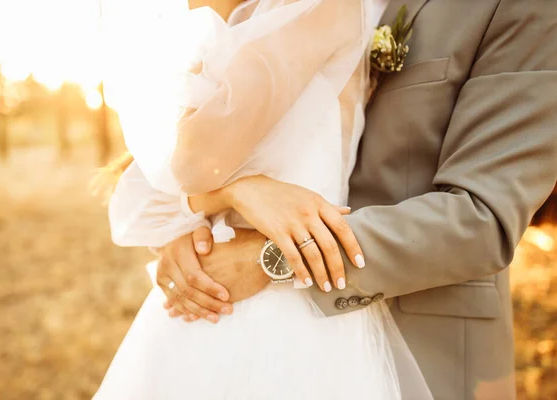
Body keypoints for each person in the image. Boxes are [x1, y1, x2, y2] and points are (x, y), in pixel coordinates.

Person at [94, 0, 434, 399]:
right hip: (212, 298)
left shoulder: (322, 7)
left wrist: (223, 190)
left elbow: (190, 162)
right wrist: (239, 190)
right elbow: (138, 205)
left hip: (293, 314)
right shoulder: (247, 19)